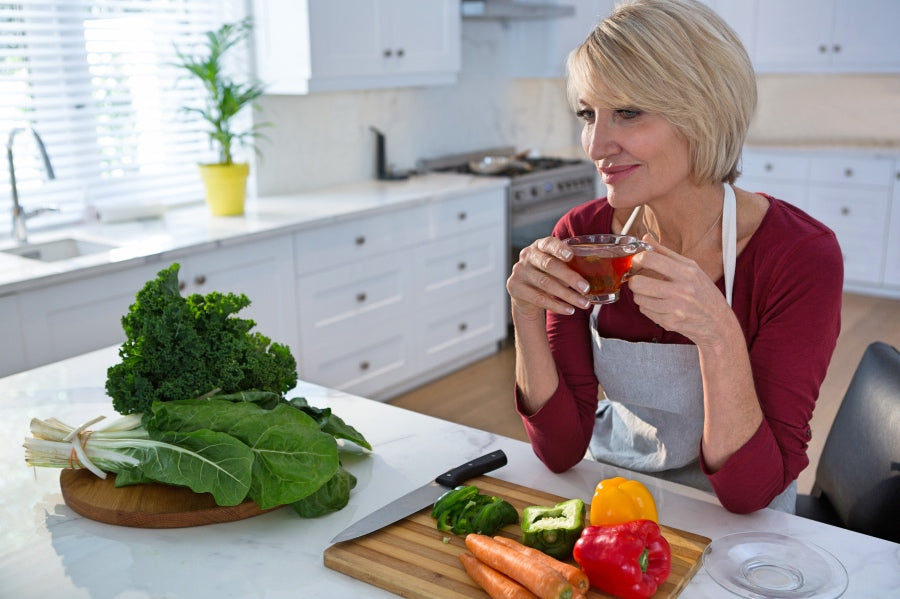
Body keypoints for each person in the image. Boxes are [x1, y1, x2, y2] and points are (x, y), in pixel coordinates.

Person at [506, 0, 843, 514]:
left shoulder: (799, 257)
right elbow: (560, 450)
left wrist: (718, 332)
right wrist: (526, 312)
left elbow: (750, 493)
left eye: (629, 112)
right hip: (616, 496)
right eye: (587, 115)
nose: (596, 145)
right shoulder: (585, 235)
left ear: (702, 112)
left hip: (739, 528)